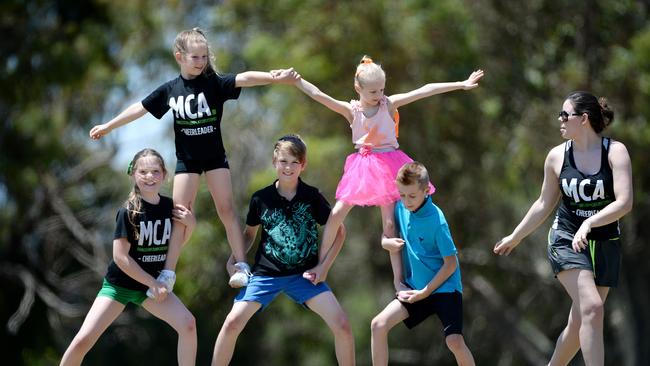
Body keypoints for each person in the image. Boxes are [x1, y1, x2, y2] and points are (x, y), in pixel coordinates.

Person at [89, 27, 300, 287]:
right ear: (179, 56)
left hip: (214, 158)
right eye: (195, 57)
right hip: (187, 162)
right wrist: (109, 126)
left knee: (226, 208)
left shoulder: (215, 83)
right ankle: (168, 272)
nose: (201, 62)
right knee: (179, 214)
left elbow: (245, 78)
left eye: (204, 57)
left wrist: (274, 77)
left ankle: (242, 265)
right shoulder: (171, 89)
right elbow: (139, 108)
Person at [292, 55, 484, 290]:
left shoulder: (388, 104)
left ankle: (398, 281)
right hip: (363, 167)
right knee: (337, 213)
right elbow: (319, 95)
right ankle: (320, 265)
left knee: (390, 226)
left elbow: (424, 90)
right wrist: (297, 80)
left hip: (390, 165)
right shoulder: (352, 111)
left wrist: (460, 84)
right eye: (373, 91)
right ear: (358, 88)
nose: (379, 95)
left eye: (381, 89)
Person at [494, 91, 633, 366]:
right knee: (592, 307)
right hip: (567, 238)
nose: (559, 120)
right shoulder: (556, 157)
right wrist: (516, 236)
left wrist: (591, 223)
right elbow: (544, 203)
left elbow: (625, 202)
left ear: (583, 119)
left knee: (582, 318)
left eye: (564, 115)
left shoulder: (615, 152)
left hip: (605, 240)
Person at [211, 134, 355, 366]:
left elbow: (339, 232)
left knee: (342, 325)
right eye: (284, 161)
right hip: (265, 275)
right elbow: (249, 235)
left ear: (303, 165)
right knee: (231, 323)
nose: (288, 167)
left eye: (294, 162)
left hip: (305, 276)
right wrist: (234, 260)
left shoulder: (312, 197)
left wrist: (323, 266)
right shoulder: (260, 198)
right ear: (274, 161)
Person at [60, 149, 197, 366]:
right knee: (82, 341)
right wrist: (153, 282)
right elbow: (120, 258)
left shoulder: (170, 207)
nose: (149, 176)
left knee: (188, 324)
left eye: (154, 171)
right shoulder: (128, 211)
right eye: (143, 171)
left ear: (164, 174)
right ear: (133, 174)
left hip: (149, 290)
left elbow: (176, 245)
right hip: (119, 286)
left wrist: (191, 224)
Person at [371, 162, 475, 366]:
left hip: (444, 287)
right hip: (416, 287)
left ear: (426, 191)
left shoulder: (437, 220)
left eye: (412, 196)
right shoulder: (401, 208)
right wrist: (385, 242)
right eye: (402, 195)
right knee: (378, 325)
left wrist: (426, 292)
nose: (406, 201)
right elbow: (386, 235)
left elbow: (451, 264)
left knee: (454, 341)